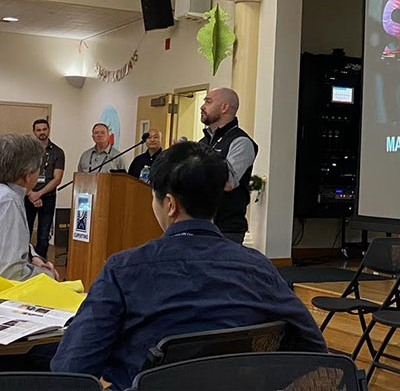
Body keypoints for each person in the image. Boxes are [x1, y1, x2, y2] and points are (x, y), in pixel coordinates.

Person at [51, 142, 325, 390]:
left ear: (170, 204)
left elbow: (71, 369)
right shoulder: (258, 268)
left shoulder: (123, 270)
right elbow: (314, 347)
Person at [198, 88, 257, 244]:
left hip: (226, 229)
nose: (202, 107)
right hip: (201, 224)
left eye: (208, 102)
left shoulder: (241, 142)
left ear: (224, 107)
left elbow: (227, 182)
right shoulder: (203, 142)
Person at [0, 134, 60, 281]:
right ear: (27, 175)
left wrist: (33, 257)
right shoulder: (9, 201)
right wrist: (49, 276)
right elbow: (10, 273)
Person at [25, 119, 65, 260]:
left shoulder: (58, 152)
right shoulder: (27, 151)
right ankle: (24, 262)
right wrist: (31, 194)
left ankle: (40, 264)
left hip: (48, 197)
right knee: (25, 231)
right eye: (38, 130)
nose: (41, 132)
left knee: (43, 234)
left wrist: (39, 194)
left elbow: (57, 178)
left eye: (44, 129)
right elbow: (20, 174)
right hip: (27, 196)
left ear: (48, 130)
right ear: (34, 131)